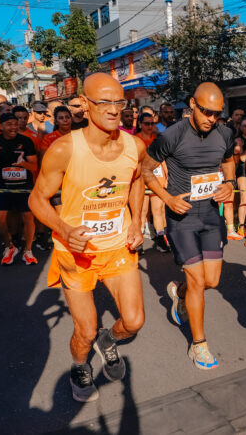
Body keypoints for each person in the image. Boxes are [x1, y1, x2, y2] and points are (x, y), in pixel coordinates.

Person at [28, 72, 147, 402]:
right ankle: (80, 365)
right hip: (76, 253)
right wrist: (65, 230)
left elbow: (136, 180)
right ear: (85, 104)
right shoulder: (65, 148)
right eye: (104, 102)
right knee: (85, 330)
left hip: (118, 247)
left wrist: (137, 221)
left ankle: (109, 341)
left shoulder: (134, 145)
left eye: (118, 102)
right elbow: (36, 199)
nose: (113, 109)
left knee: (134, 321)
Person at [142, 82, 236, 370]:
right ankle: (199, 345)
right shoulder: (172, 135)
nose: (211, 118)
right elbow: (145, 169)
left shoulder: (225, 133)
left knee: (212, 281)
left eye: (217, 114)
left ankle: (178, 292)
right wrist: (167, 198)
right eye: (207, 111)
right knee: (198, 281)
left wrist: (230, 184)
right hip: (181, 217)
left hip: (210, 214)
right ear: (192, 105)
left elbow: (229, 161)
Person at [0, 113, 38, 265]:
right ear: (0, 127)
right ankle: (9, 246)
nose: (13, 127)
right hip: (3, 187)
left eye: (15, 123)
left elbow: (34, 166)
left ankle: (28, 250)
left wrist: (23, 165)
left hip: (24, 187)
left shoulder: (26, 141)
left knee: (28, 218)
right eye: (9, 124)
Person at [135, 112, 169, 252]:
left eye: (152, 123)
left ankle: (161, 240)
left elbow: (164, 160)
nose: (150, 126)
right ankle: (139, 242)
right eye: (147, 123)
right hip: (141, 179)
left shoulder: (158, 139)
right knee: (142, 212)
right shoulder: (135, 140)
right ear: (140, 124)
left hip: (158, 178)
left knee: (158, 211)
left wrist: (166, 178)